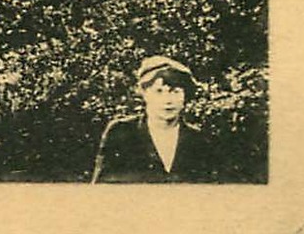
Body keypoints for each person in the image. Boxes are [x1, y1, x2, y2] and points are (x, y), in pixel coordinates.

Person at [91, 54, 216, 182]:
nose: (168, 100)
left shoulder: (200, 140)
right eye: (159, 91)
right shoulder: (121, 132)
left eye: (175, 92)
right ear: (145, 94)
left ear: (185, 96)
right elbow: (102, 191)